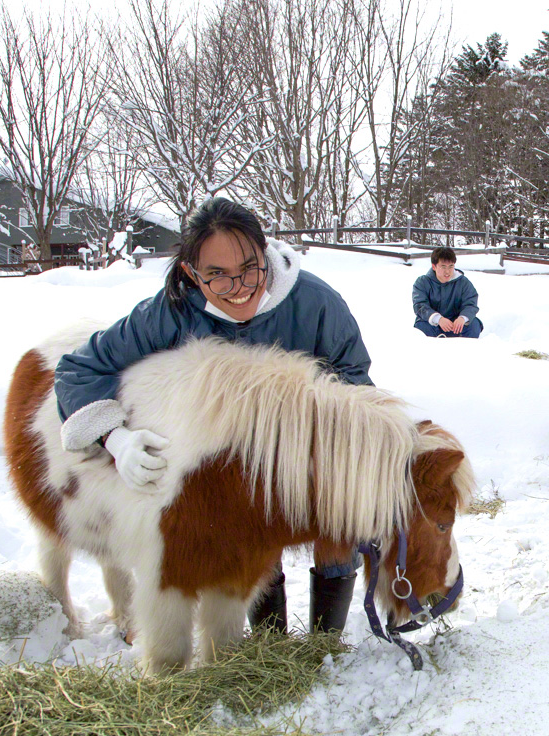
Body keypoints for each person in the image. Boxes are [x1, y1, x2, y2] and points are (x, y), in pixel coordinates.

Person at [53, 197, 371, 637]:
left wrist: (312, 429)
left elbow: (355, 378)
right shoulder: (170, 312)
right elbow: (78, 368)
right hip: (235, 472)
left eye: (249, 268)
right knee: (253, 533)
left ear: (265, 252)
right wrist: (113, 437)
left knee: (339, 528)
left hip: (313, 450)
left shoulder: (315, 303)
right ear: (191, 273)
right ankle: (270, 642)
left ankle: (325, 641)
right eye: (216, 276)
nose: (238, 287)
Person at [412, 247, 483, 338]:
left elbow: (471, 303)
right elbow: (420, 305)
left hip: (455, 325)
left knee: (474, 325)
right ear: (434, 266)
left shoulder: (463, 282)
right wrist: (438, 319)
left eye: (451, 266)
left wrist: (462, 318)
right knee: (421, 328)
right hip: (433, 325)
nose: (447, 271)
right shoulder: (422, 282)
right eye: (443, 267)